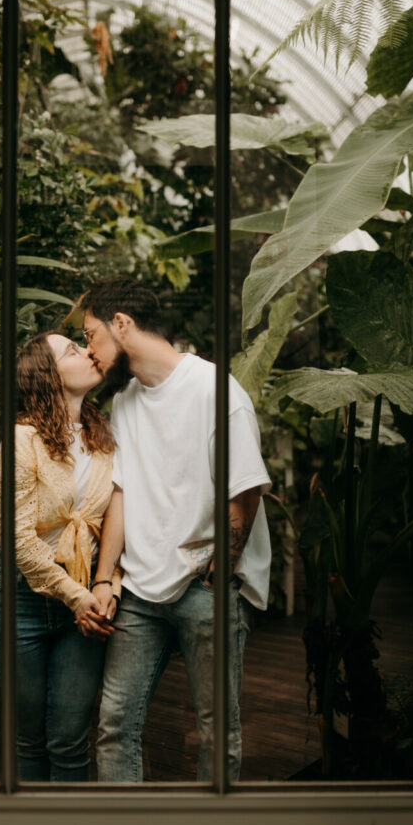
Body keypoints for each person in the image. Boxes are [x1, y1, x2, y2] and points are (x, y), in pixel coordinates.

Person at [80, 277, 271, 783]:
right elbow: (121, 492)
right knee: (115, 723)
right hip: (140, 591)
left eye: (91, 335)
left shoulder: (216, 392)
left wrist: (220, 575)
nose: (89, 351)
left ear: (121, 324)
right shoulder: (124, 403)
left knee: (215, 728)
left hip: (204, 588)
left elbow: (245, 490)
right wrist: (104, 579)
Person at [0, 332, 119, 782]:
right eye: (72, 351)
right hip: (20, 603)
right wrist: (77, 597)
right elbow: (15, 537)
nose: (88, 353)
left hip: (82, 605)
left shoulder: (104, 441)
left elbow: (110, 529)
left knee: (69, 739)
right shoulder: (21, 442)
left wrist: (106, 588)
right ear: (48, 376)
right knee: (28, 739)